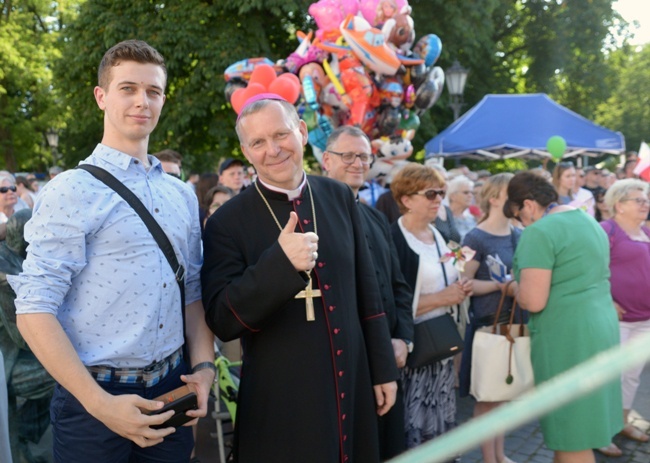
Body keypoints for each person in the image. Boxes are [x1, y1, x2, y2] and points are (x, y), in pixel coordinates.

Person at [8, 40, 215, 462]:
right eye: (128, 88)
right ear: (101, 96)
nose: (143, 101)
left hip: (172, 390)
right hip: (91, 400)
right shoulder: (70, 189)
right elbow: (33, 310)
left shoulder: (181, 195)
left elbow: (191, 291)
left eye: (153, 91)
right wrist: (99, 404)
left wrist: (204, 370)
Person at [201, 94, 398, 463]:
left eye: (281, 135)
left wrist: (382, 369)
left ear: (302, 132)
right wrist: (280, 264)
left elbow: (368, 293)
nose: (272, 150)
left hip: (352, 379)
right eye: (258, 142)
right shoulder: (227, 222)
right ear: (246, 151)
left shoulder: (338, 196)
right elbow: (222, 319)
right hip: (282, 397)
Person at [505, 171, 623, 463]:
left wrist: (512, 287)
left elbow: (533, 300)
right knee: (577, 427)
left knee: (571, 433)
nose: (521, 223)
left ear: (529, 205)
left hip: (567, 336)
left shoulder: (540, 231)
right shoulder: (588, 221)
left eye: (519, 215)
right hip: (600, 326)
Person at [322, 125, 414, 461]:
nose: (357, 162)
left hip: (388, 358)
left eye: (364, 156)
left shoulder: (376, 219)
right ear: (325, 161)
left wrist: (404, 338)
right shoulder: (310, 219)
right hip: (344, 365)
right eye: (347, 155)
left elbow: (398, 286)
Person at [389, 163, 472, 450]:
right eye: (431, 193)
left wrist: (460, 290)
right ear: (407, 200)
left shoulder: (439, 235)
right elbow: (390, 305)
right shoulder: (393, 241)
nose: (439, 199)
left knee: (440, 424)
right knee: (413, 425)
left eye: (441, 192)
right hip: (413, 354)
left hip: (441, 348)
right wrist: (443, 298)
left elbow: (451, 276)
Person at [459, 173, 521, 463]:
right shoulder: (474, 237)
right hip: (487, 326)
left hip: (515, 324)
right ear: (495, 198)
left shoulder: (518, 234)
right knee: (487, 398)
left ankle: (499, 454)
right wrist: (502, 286)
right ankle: (489, 458)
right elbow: (465, 284)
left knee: (505, 396)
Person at [599, 179, 650, 456]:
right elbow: (592, 270)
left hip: (645, 317)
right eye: (638, 200)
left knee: (631, 375)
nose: (646, 204)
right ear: (619, 205)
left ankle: (621, 421)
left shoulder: (646, 232)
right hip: (616, 318)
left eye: (646, 200)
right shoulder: (607, 231)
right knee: (609, 376)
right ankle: (600, 431)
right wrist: (608, 300)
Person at [447, 175, 477, 241]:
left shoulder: (471, 218)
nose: (470, 195)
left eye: (472, 193)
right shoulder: (444, 218)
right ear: (453, 196)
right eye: (466, 192)